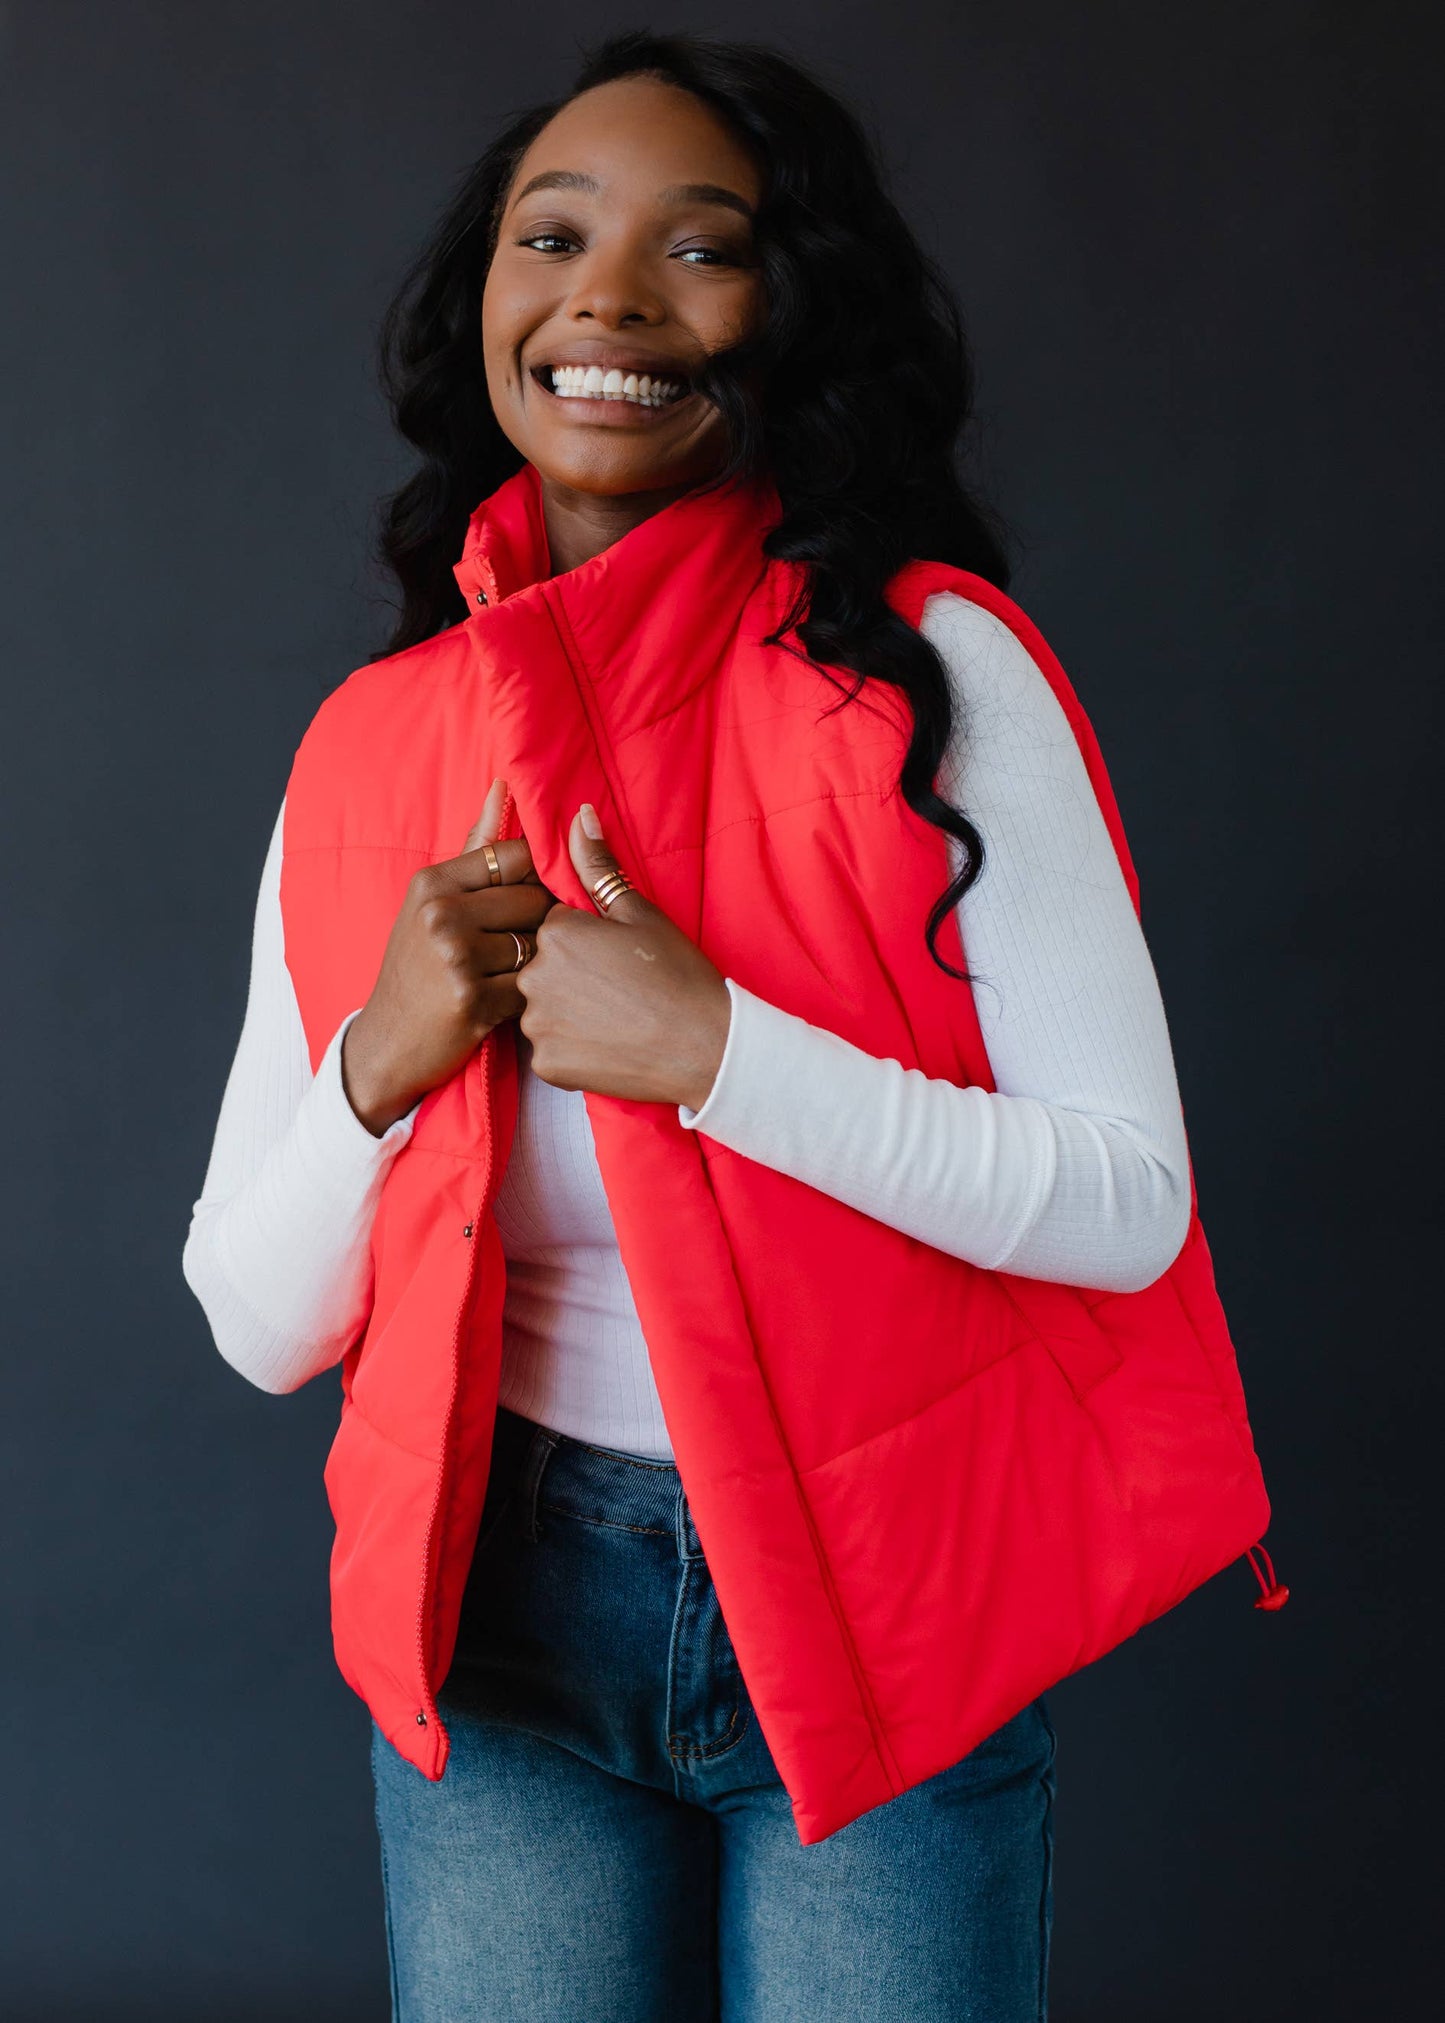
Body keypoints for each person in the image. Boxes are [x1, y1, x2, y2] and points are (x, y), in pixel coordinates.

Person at [182, 29, 1275, 2023]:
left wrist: (717, 1051)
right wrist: (382, 1060)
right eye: (555, 236)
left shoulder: (935, 675)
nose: (609, 294)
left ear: (795, 316)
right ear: (486, 303)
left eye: (702, 247)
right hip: (501, 1620)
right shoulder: (370, 749)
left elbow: (1127, 1203)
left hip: (887, 1601)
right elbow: (254, 1320)